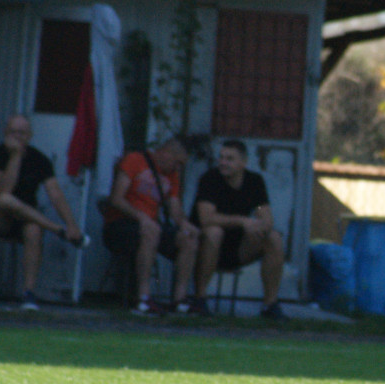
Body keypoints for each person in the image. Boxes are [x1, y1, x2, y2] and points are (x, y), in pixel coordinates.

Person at [0, 115, 90, 310]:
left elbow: (55, 194)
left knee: (34, 230)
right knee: (5, 200)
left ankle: (29, 293)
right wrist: (15, 157)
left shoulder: (40, 159)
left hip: (25, 219)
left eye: (22, 133)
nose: (17, 136)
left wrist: (72, 224)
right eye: (13, 132)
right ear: (5, 133)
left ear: (30, 135)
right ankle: (57, 230)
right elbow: (4, 189)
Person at [189, 140, 287, 319]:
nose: (223, 162)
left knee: (273, 237)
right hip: (206, 246)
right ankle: (199, 299)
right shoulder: (210, 179)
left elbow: (264, 214)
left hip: (238, 248)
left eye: (229, 159)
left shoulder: (254, 182)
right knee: (214, 232)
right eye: (221, 157)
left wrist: (259, 226)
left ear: (243, 162)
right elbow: (206, 218)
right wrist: (242, 221)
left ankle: (270, 305)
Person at [102, 137, 199, 316]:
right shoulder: (135, 160)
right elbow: (116, 199)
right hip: (122, 224)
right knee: (150, 231)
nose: (178, 168)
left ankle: (180, 300)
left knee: (188, 240)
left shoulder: (172, 175)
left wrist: (186, 226)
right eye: (178, 162)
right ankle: (143, 299)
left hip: (151, 226)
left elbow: (174, 207)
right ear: (167, 153)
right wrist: (142, 218)